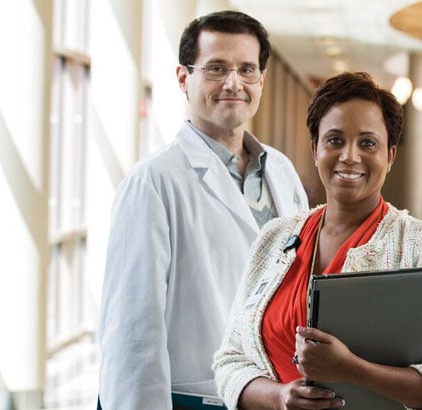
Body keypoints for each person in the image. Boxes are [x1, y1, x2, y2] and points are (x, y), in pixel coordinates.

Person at [213, 72, 422, 409]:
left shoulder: (421, 244)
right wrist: (281, 396)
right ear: (315, 150)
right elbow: (230, 361)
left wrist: (353, 370)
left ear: (390, 155)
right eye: (335, 140)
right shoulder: (275, 238)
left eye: (368, 143)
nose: (350, 156)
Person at [98, 10, 309, 409]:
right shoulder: (153, 183)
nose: (234, 83)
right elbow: (132, 333)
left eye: (247, 69)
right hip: (198, 398)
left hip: (276, 394)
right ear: (184, 78)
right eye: (216, 68)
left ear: (261, 81)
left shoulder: (281, 172)